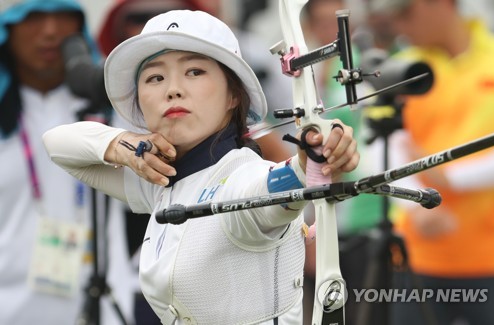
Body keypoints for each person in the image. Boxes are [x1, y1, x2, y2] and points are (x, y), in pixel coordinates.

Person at [43, 9, 359, 324]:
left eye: (194, 72)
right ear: (140, 100)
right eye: (155, 77)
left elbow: (278, 185)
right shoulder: (158, 179)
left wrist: (316, 158)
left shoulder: (243, 178)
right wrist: (124, 146)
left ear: (234, 95)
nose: (173, 89)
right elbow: (57, 144)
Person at [0, 0, 133, 324]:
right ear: (8, 31)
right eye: (33, 18)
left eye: (63, 18)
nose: (50, 32)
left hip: (103, 306)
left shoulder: (114, 107)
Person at [369, 0, 494, 324]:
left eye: (406, 12)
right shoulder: (401, 67)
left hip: (493, 259)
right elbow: (378, 146)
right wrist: (416, 203)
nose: (400, 26)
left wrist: (447, 178)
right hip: (417, 258)